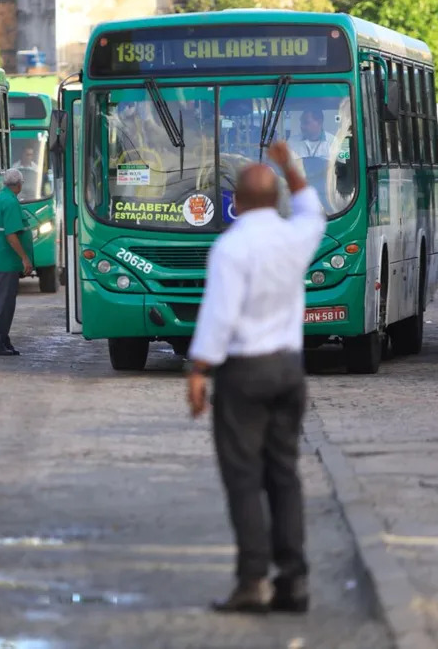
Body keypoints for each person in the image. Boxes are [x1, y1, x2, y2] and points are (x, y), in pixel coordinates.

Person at [186, 141, 325, 614]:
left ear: (237, 203)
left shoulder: (231, 246)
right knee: (284, 475)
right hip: (289, 369)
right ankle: (295, 581)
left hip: (244, 374)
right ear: (275, 200)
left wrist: (199, 370)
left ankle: (252, 583)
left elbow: (219, 316)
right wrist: (291, 166)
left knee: (244, 478)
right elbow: (312, 210)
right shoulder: (296, 235)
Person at [0, 169, 34, 356]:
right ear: (19, 185)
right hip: (7, 263)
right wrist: (24, 257)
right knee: (4, 304)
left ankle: (2, 339)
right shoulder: (11, 203)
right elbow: (11, 235)